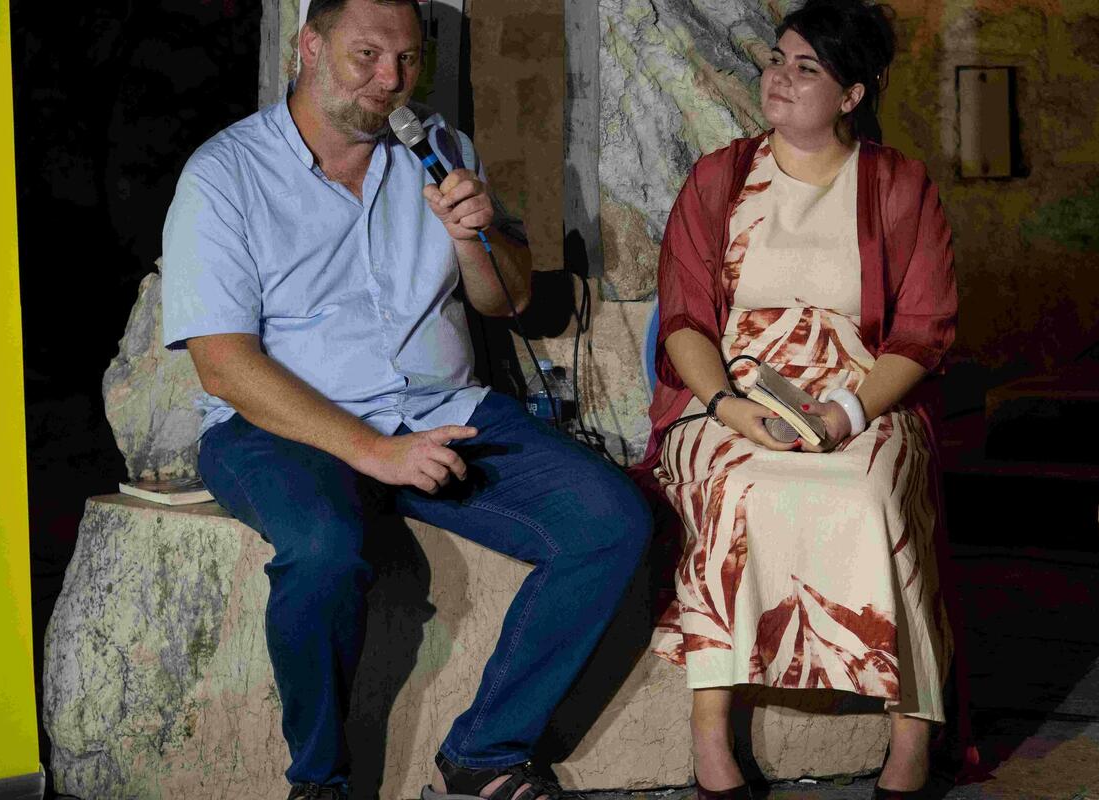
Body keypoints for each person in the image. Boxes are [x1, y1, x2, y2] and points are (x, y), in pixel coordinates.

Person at [160, 1, 652, 798]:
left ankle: (484, 754)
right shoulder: (225, 175)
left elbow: (506, 301)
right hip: (280, 425)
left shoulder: (439, 148)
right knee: (323, 549)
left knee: (612, 522)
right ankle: (319, 783)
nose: (390, 80)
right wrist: (374, 452)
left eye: (408, 60)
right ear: (309, 47)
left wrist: (474, 238)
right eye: (367, 56)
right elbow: (223, 366)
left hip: (439, 408)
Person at [631, 1, 958, 798]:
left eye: (806, 67)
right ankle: (711, 737)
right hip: (732, 392)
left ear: (852, 94)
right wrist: (725, 407)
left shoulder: (900, 185)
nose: (779, 77)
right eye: (777, 58)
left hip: (862, 393)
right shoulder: (719, 178)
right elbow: (683, 320)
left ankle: (910, 739)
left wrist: (845, 414)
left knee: (872, 490)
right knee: (734, 487)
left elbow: (923, 330)